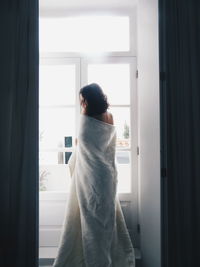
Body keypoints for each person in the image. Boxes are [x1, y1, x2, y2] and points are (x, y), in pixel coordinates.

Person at [53, 83, 135, 267]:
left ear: (88, 100)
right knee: (105, 221)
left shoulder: (86, 118)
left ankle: (95, 261)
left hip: (90, 178)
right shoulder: (110, 117)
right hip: (107, 175)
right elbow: (108, 146)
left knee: (91, 222)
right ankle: (104, 259)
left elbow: (81, 143)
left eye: (83, 99)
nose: (82, 103)